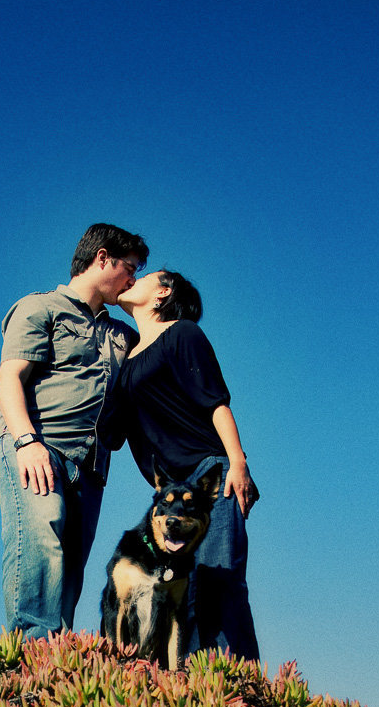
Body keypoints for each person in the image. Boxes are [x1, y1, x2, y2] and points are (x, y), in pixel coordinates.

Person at [0, 223, 149, 638]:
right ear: (102, 259)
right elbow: (8, 380)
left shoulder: (123, 334)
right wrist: (27, 443)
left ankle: (57, 667)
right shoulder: (40, 307)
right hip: (35, 444)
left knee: (70, 565)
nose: (133, 280)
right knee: (42, 538)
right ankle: (30, 655)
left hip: (91, 465)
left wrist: (141, 306)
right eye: (129, 269)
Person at [99, 268, 261, 662]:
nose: (132, 278)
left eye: (145, 276)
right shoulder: (129, 356)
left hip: (209, 477)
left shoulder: (182, 333)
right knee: (181, 595)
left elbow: (216, 402)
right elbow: (113, 434)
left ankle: (234, 685)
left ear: (163, 293)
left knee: (219, 583)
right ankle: (188, 691)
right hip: (169, 492)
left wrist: (237, 463)